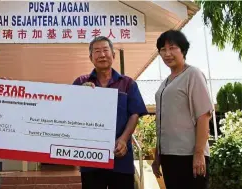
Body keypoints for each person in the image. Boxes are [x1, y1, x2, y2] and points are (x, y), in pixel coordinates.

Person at [72, 36, 148, 189]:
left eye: (106, 50)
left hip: (121, 157)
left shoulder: (128, 83)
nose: (102, 55)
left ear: (113, 55)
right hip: (91, 158)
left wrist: (123, 139)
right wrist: (80, 95)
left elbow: (134, 114)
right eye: (97, 51)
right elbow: (69, 111)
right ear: (91, 57)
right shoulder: (80, 83)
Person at [151, 30, 213, 189]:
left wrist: (199, 153)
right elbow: (162, 122)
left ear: (183, 50)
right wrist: (158, 156)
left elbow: (203, 116)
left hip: (189, 156)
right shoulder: (164, 83)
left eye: (172, 48)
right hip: (169, 156)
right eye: (163, 50)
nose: (167, 54)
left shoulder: (193, 74)